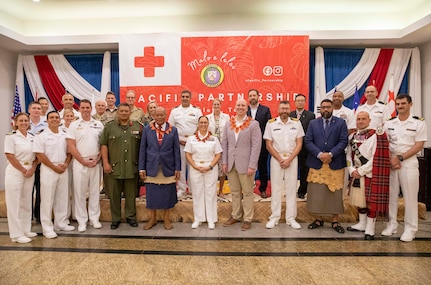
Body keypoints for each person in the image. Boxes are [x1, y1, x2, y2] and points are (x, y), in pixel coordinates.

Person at [382, 94, 427, 242]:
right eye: (398, 104)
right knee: (391, 196)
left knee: (410, 197)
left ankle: (410, 228)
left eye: (403, 104)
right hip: (391, 162)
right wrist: (392, 159)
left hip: (408, 162)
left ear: (410, 104)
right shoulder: (389, 123)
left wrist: (400, 158)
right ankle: (392, 224)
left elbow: (419, 145)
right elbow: (385, 143)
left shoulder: (418, 123)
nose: (400, 106)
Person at [305, 99, 348, 234]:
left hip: (334, 163)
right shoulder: (313, 123)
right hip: (317, 162)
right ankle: (318, 219)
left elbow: (343, 141)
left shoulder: (341, 123)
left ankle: (335, 221)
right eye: (323, 107)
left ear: (332, 108)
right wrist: (319, 154)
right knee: (317, 193)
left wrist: (330, 154)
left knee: (334, 194)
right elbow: (308, 140)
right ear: (320, 109)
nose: (325, 110)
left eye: (328, 107)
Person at [346, 111, 391, 240]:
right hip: (355, 172)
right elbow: (348, 155)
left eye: (363, 119)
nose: (360, 121)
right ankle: (362, 223)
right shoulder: (352, 136)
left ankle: (370, 228)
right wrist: (351, 169)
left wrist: (361, 171)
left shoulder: (376, 135)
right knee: (360, 201)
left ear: (369, 120)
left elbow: (376, 157)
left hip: (369, 173)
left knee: (371, 202)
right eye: (358, 119)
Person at [100, 103, 141, 230]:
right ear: (118, 112)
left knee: (131, 194)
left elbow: (142, 148)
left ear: (130, 112)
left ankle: (131, 217)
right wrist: (105, 162)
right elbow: (104, 145)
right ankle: (115, 218)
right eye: (121, 111)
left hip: (131, 167)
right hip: (114, 167)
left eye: (126, 111)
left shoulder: (138, 127)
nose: (124, 113)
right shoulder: (109, 127)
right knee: (114, 195)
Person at [33, 111, 74, 238]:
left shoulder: (64, 134)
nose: (55, 119)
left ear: (60, 119)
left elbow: (69, 152)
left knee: (62, 198)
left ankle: (60, 223)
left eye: (56, 117)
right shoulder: (42, 136)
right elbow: (39, 154)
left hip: (63, 168)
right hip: (49, 169)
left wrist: (66, 165)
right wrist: (53, 167)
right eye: (52, 118)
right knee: (47, 200)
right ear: (47, 120)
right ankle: (47, 228)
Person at [222, 99, 261, 231]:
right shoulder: (228, 124)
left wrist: (252, 165)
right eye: (238, 105)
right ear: (234, 107)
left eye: (243, 105)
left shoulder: (253, 124)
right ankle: (236, 215)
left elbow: (256, 146)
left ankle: (248, 218)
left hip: (246, 164)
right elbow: (225, 143)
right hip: (231, 163)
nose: (240, 107)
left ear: (247, 108)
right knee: (234, 192)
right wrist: (224, 161)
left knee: (248, 192)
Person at [139, 107, 181, 230]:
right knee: (152, 193)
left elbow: (177, 151)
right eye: (157, 115)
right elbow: (142, 149)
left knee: (168, 193)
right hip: (151, 165)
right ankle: (152, 219)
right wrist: (142, 168)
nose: (159, 117)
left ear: (166, 115)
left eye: (162, 115)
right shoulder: (147, 130)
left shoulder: (173, 130)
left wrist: (177, 168)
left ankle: (167, 219)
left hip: (168, 166)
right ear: (153, 115)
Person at [264, 101, 304, 229]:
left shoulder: (296, 123)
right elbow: (268, 145)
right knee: (276, 189)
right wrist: (281, 159)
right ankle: (274, 217)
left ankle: (291, 218)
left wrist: (289, 159)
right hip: (277, 159)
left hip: (292, 159)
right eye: (282, 108)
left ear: (290, 109)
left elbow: (299, 143)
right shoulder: (271, 124)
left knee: (291, 189)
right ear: (278, 109)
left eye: (287, 108)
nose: (285, 110)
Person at [67, 100, 104, 232]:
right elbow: (71, 145)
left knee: (95, 192)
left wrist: (98, 158)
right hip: (80, 163)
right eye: (83, 108)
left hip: (95, 162)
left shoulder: (98, 124)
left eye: (88, 107)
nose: (86, 110)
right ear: (80, 109)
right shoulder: (74, 125)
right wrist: (83, 161)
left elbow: (103, 144)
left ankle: (94, 218)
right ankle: (82, 221)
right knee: (80, 193)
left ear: (91, 108)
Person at [4, 113, 38, 243]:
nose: (24, 123)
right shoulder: (11, 137)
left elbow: (36, 156)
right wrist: (23, 170)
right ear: (16, 123)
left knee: (26, 202)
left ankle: (25, 229)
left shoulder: (32, 137)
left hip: (30, 170)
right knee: (14, 203)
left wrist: (33, 168)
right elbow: (10, 156)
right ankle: (16, 234)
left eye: (26, 120)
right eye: (21, 120)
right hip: (16, 171)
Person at [185, 116, 222, 229]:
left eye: (205, 122)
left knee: (210, 193)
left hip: (210, 168)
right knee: (197, 193)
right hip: (195, 168)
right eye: (201, 122)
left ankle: (211, 219)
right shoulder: (191, 138)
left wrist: (210, 166)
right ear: (198, 124)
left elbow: (218, 154)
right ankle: (198, 219)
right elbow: (188, 154)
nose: (203, 125)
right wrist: (195, 166)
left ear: (208, 124)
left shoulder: (213, 139)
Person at [168, 90, 203, 198]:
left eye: (187, 96)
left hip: (193, 143)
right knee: (181, 167)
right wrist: (177, 140)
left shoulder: (196, 111)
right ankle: (182, 189)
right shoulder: (175, 111)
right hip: (179, 143)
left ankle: (193, 190)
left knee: (193, 167)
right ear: (180, 97)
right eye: (183, 96)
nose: (185, 98)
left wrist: (193, 138)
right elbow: (170, 127)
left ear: (190, 97)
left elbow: (201, 125)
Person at [246, 89, 271, 198]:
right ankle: (246, 189)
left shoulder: (265, 110)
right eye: (250, 95)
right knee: (246, 167)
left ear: (258, 96)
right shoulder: (244, 110)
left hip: (261, 144)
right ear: (248, 98)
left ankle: (263, 189)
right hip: (246, 145)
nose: (252, 97)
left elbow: (268, 127)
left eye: (254, 95)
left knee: (262, 167)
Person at [290, 94, 315, 201]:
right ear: (294, 102)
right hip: (291, 148)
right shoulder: (290, 114)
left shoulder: (310, 115)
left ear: (305, 102)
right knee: (291, 171)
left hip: (304, 148)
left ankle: (302, 191)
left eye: (302, 101)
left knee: (304, 170)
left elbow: (310, 132)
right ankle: (291, 191)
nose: (300, 102)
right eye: (298, 101)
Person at [28, 101, 47, 224]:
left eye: (38, 108)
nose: (36, 110)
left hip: (41, 162)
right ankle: (27, 216)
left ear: (41, 111)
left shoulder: (45, 126)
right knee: (27, 191)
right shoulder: (23, 123)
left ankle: (39, 215)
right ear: (29, 110)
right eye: (34, 108)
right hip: (27, 162)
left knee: (40, 190)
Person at [207, 98, 230, 196]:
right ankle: (211, 191)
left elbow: (229, 131)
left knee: (223, 169)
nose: (216, 106)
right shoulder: (207, 117)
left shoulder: (226, 117)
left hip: (223, 146)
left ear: (221, 105)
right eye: (214, 104)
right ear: (212, 106)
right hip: (211, 147)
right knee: (212, 168)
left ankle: (221, 190)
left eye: (218, 104)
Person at [61, 109, 77, 224]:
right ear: (63, 117)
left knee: (76, 189)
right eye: (67, 116)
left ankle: (76, 214)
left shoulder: (77, 128)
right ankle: (65, 216)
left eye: (72, 116)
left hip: (75, 161)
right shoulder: (60, 129)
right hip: (64, 162)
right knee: (65, 190)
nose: (69, 118)